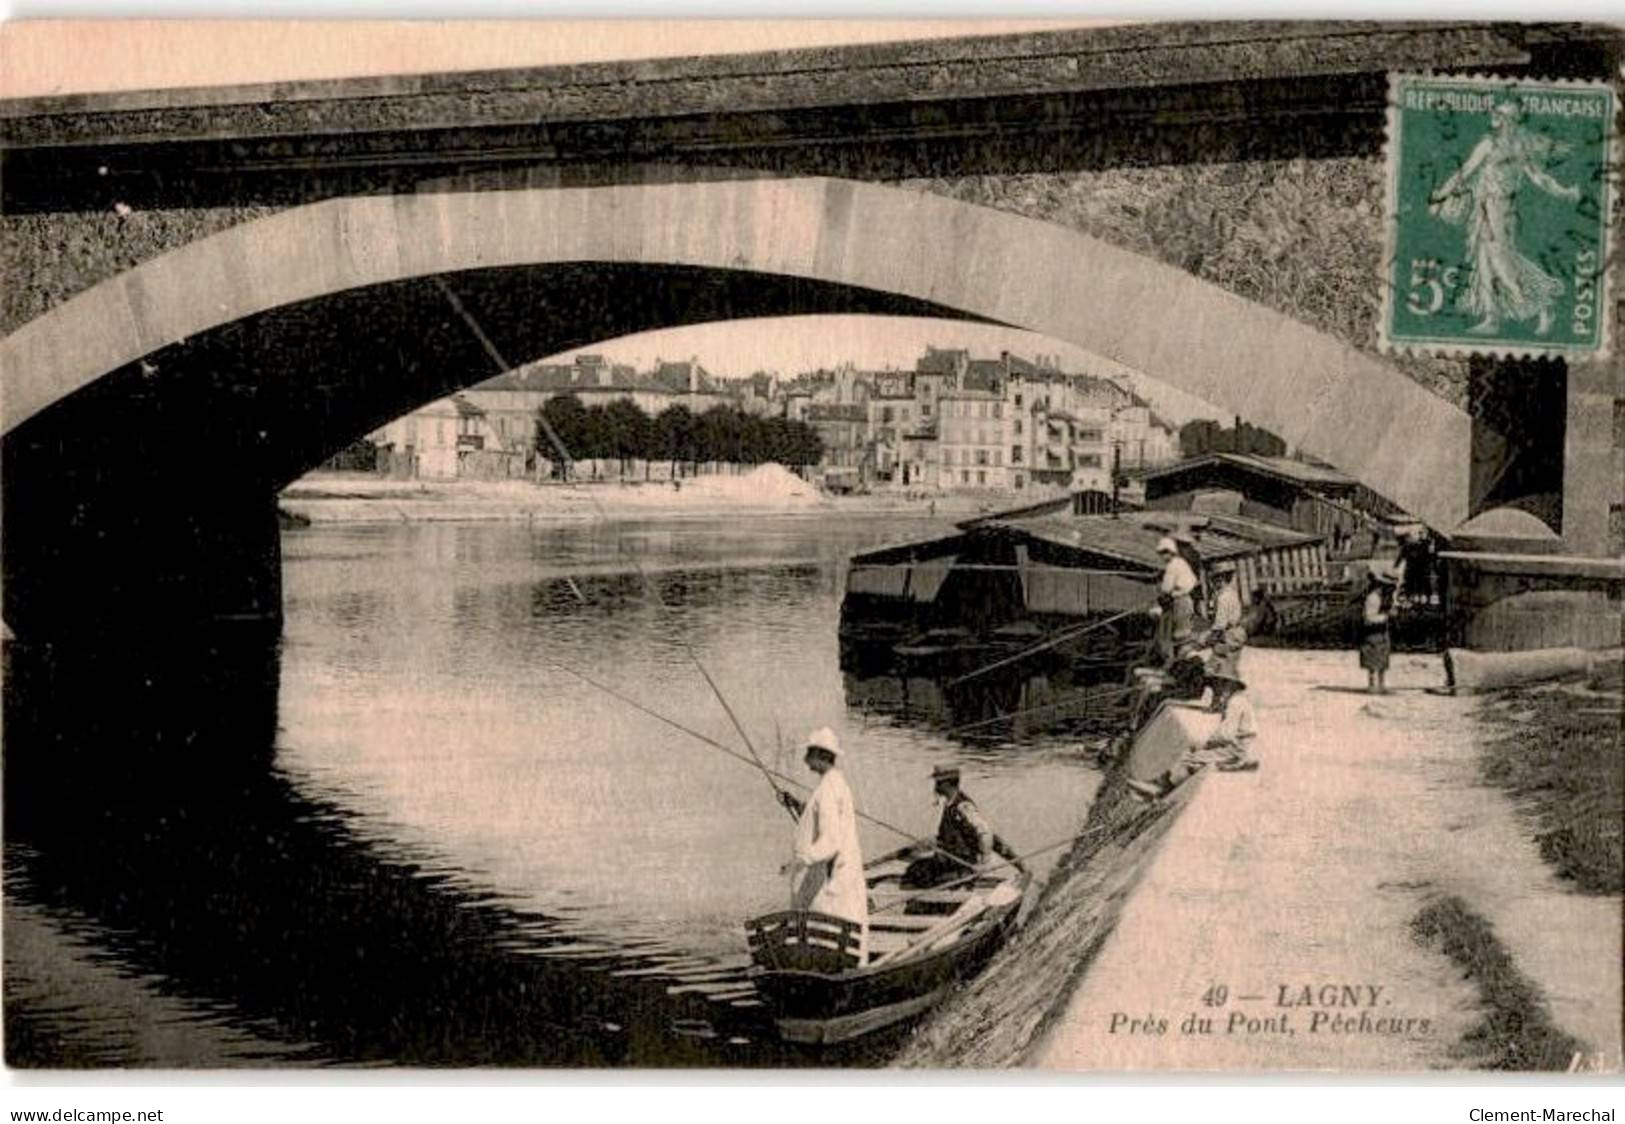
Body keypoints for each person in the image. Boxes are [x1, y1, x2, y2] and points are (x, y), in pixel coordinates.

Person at [1428, 100, 1582, 336]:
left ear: (1510, 120)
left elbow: (1539, 178)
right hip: (1485, 209)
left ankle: (1543, 303)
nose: (1494, 116)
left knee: (1502, 262)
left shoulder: (1516, 147)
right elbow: (1465, 172)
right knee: (1484, 262)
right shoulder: (1488, 144)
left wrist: (1564, 192)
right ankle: (1492, 319)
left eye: (1500, 114)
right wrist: (1442, 193)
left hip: (1502, 212)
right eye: (1495, 112)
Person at [776, 728, 867, 948]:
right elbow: (822, 821)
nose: (805, 758)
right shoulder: (837, 785)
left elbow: (831, 840)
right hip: (840, 877)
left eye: (809, 752)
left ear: (821, 755)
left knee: (824, 937)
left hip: (829, 881)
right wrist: (795, 804)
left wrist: (802, 860)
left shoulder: (827, 790)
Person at [1127, 666, 1258, 800]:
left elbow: (1226, 735)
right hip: (1235, 744)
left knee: (1192, 758)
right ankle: (1162, 783)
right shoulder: (1235, 700)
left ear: (1229, 686)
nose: (1217, 689)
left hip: (1237, 749)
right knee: (1190, 753)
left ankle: (1162, 790)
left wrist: (1206, 741)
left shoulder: (1236, 703)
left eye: (1220, 685)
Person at [901, 765, 1026, 889]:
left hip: (964, 865)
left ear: (947, 783)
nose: (935, 786)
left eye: (938, 782)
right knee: (914, 871)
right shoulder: (950, 804)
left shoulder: (963, 807)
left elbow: (985, 833)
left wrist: (983, 862)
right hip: (950, 860)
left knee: (925, 877)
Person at [1150, 536, 1198, 665]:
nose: (1163, 556)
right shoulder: (1182, 563)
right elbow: (1193, 581)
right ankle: (1183, 661)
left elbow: (1166, 588)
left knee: (1176, 635)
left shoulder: (1172, 566)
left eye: (1164, 553)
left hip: (1179, 602)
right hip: (1186, 600)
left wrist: (1160, 599)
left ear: (1170, 552)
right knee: (1184, 633)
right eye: (1161, 553)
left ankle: (1180, 662)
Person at [1360, 567, 1398, 694]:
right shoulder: (1373, 598)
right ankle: (1373, 685)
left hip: (1381, 632)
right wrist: (1386, 617)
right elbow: (1368, 618)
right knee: (1373, 660)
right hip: (1373, 633)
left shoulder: (1385, 598)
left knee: (1382, 660)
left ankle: (1381, 685)